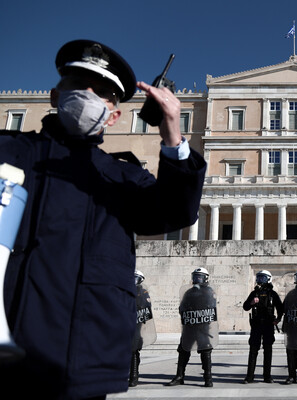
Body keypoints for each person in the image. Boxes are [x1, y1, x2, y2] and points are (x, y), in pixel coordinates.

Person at [0, 39, 206, 399]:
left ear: (114, 115)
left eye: (103, 93)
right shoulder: (9, 153)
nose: (88, 95)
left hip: (83, 364)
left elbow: (176, 211)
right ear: (54, 96)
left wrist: (173, 132)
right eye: (78, 84)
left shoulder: (122, 177)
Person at [166, 268, 218, 387]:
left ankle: (208, 378)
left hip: (203, 327)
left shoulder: (209, 292)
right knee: (183, 350)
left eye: (199, 277)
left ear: (205, 278)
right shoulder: (188, 292)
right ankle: (179, 376)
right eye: (195, 276)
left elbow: (212, 308)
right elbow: (181, 308)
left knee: (205, 351)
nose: (196, 279)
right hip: (189, 327)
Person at [242, 270, 283, 383]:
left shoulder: (272, 294)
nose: (260, 280)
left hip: (268, 325)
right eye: (259, 277)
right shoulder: (254, 293)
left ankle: (267, 376)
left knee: (268, 350)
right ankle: (249, 376)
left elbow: (280, 308)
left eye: (263, 278)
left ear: (268, 279)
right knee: (253, 350)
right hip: (256, 325)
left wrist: (278, 319)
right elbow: (245, 307)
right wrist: (251, 303)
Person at [129, 270, 156, 387]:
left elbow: (147, 306)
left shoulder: (142, 292)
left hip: (136, 327)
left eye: (136, 278)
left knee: (133, 351)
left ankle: (134, 376)